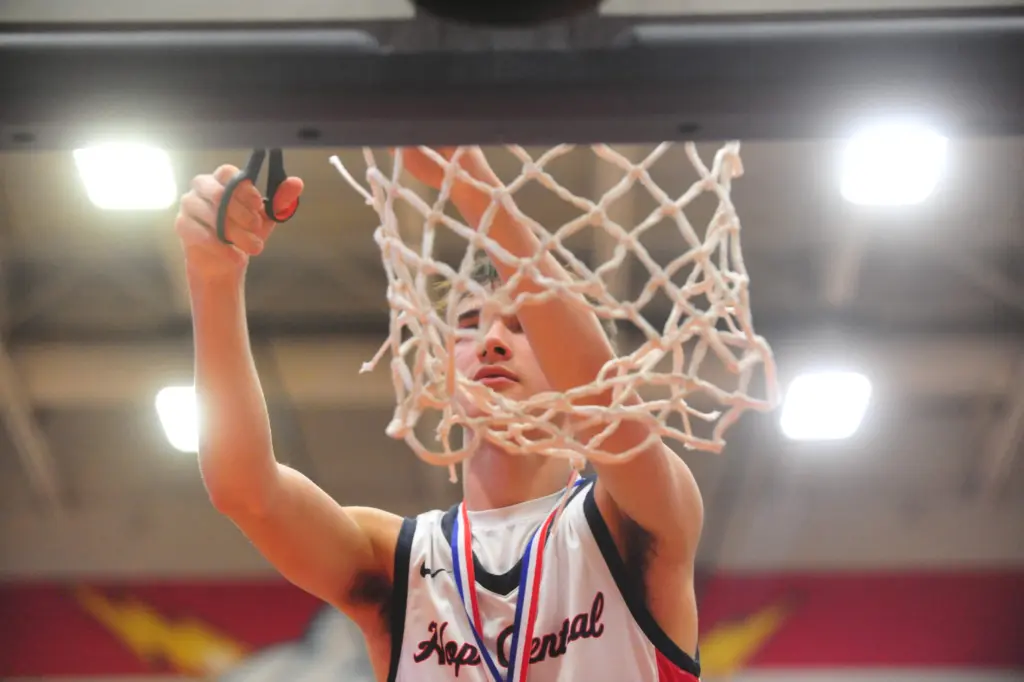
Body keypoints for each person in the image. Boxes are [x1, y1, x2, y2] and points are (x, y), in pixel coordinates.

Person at [174, 147, 705, 682]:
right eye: (469, 323)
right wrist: (214, 278)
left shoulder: (635, 516)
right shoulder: (397, 562)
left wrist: (473, 183)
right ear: (440, 375)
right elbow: (246, 492)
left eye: (522, 324)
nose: (492, 340)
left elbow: (602, 400)